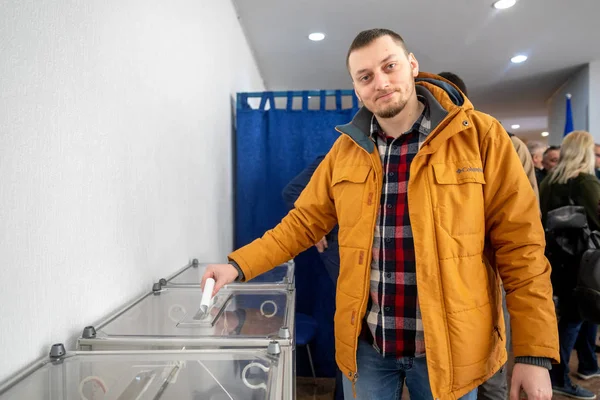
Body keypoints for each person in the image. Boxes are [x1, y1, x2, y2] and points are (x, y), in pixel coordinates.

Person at [202, 29, 559, 400]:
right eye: (366, 77)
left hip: (451, 348)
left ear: (412, 65)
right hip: (368, 345)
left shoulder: (482, 137)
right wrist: (237, 266)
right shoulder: (346, 150)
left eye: (389, 66)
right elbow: (302, 223)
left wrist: (534, 353)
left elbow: (522, 249)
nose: (381, 82)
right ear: (357, 88)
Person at [437, 72, 540, 400]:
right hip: (450, 275)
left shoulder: (501, 141)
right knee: (458, 362)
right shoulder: (426, 143)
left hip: (490, 269)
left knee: (492, 359)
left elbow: (523, 219)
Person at [539, 130, 600, 400]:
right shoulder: (586, 182)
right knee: (575, 320)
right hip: (585, 263)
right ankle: (559, 377)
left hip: (559, 261)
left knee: (572, 317)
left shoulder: (550, 180)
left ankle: (586, 365)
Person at [282, 155, 344, 400]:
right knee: (354, 325)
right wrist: (319, 227)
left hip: (361, 249)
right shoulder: (337, 156)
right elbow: (293, 192)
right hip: (341, 249)